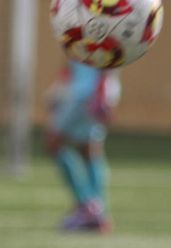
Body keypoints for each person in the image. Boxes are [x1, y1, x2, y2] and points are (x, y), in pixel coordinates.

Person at [46, 60, 118, 233]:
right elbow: (73, 56)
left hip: (85, 95)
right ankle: (96, 209)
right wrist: (59, 87)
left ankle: (88, 206)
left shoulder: (99, 34)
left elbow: (109, 56)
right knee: (87, 150)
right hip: (81, 92)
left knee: (55, 143)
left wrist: (101, 91)